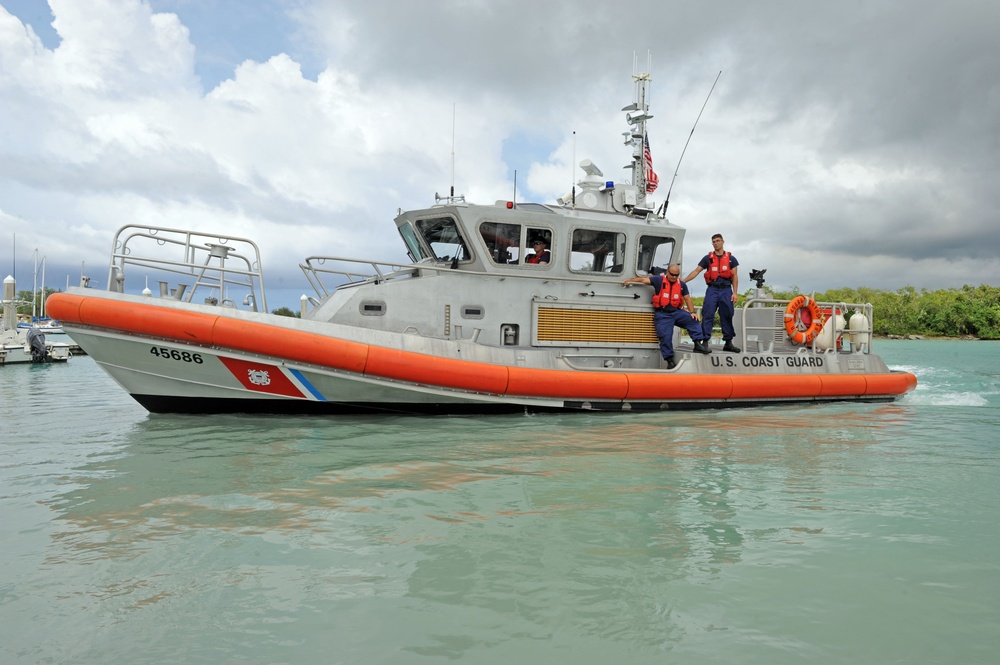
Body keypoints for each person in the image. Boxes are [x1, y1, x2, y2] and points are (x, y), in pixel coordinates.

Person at [623, 264, 711, 369]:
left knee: (693, 320)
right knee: (665, 336)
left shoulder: (682, 284)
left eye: (676, 275)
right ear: (668, 273)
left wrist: (692, 312)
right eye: (672, 274)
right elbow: (643, 279)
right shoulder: (658, 280)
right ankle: (669, 360)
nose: (674, 277)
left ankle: (697, 344)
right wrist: (629, 280)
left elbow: (687, 298)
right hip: (663, 314)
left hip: (677, 312)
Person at [683, 233, 741, 353]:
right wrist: (683, 282)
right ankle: (704, 341)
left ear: (723, 242)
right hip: (712, 289)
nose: (716, 243)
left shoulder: (731, 259)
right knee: (708, 314)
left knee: (727, 314)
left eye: (718, 241)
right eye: (714, 241)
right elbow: (696, 271)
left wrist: (735, 293)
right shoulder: (707, 258)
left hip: (726, 289)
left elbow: (735, 276)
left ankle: (728, 342)